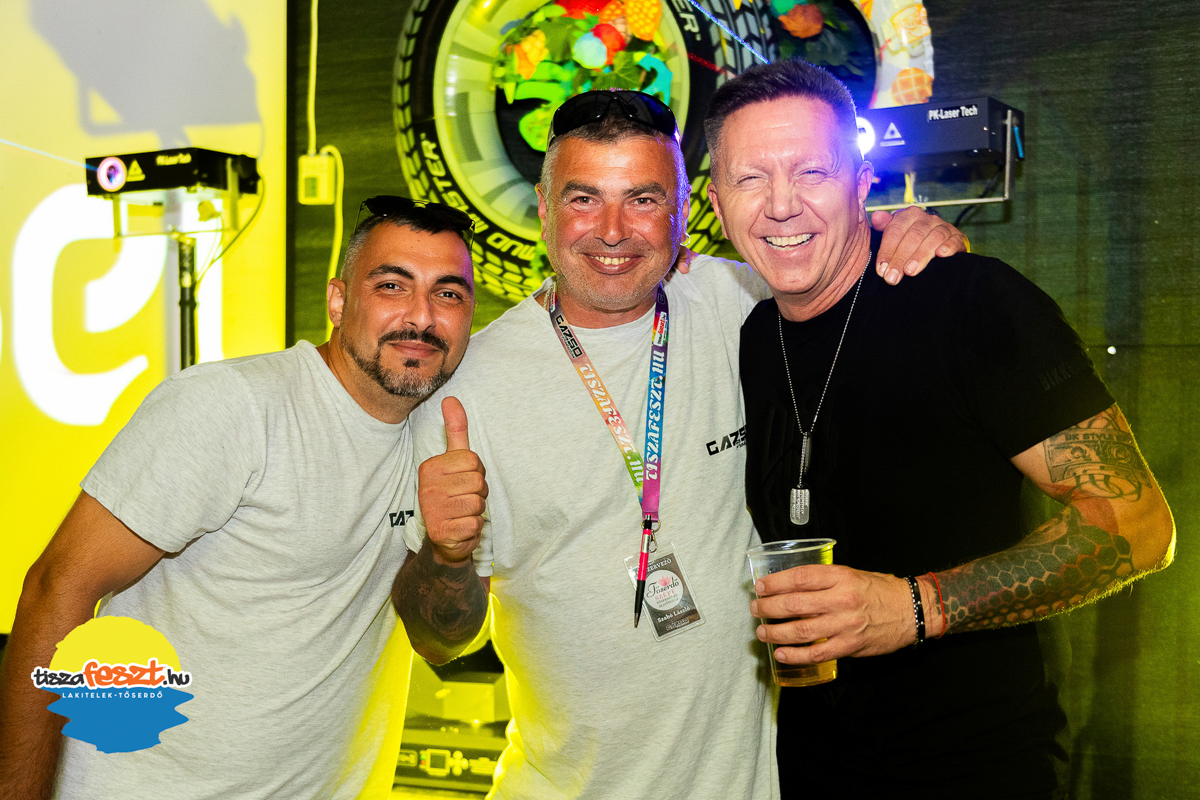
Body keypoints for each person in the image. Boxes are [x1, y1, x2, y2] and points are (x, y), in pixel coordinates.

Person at [392, 89, 967, 799]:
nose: (612, 231)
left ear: (685, 211)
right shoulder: (467, 392)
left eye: (643, 199)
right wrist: (446, 554)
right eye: (583, 199)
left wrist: (917, 243)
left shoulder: (748, 304)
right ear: (543, 210)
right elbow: (439, 639)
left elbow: (868, 287)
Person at [703, 59, 1176, 799]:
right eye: (751, 178)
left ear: (863, 182)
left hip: (976, 770)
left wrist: (914, 608)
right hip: (811, 769)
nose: (782, 205)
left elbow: (1140, 525)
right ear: (716, 201)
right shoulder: (753, 337)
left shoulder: (971, 304)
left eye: (813, 172)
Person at [0, 198, 477, 800]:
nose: (421, 316)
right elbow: (55, 588)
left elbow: (439, 641)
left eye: (448, 294)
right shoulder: (233, 405)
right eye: (391, 285)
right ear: (337, 302)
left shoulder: (439, 438)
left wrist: (451, 553)